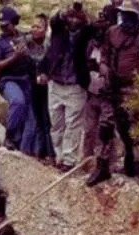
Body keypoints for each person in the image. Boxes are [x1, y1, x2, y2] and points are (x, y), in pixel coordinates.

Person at [86, 7, 139, 186]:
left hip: (135, 89)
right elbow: (105, 55)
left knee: (135, 130)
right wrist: (104, 66)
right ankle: (102, 167)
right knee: (106, 126)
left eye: (130, 15)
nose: (126, 19)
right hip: (112, 86)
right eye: (124, 15)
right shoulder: (112, 32)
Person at [41, 4, 93, 170]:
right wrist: (65, 10)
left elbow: (93, 24)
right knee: (56, 124)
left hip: (75, 86)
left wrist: (84, 14)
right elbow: (55, 19)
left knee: (73, 125)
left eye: (77, 17)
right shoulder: (58, 31)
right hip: (56, 84)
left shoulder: (87, 34)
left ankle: (69, 160)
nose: (73, 20)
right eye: (71, 16)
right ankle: (59, 156)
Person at [0, 6, 35, 151]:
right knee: (18, 102)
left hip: (27, 80)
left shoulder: (24, 37)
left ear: (14, 22)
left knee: (30, 119)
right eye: (1, 26)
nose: (3, 29)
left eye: (6, 25)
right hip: (9, 79)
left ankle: (25, 151)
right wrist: (15, 57)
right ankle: (9, 136)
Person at [22, 15, 56, 162]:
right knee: (38, 119)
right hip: (33, 85)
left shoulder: (50, 44)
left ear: (46, 28)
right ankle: (39, 152)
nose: (34, 30)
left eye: (38, 27)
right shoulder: (26, 42)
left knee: (48, 119)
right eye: (33, 26)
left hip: (48, 85)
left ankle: (51, 153)